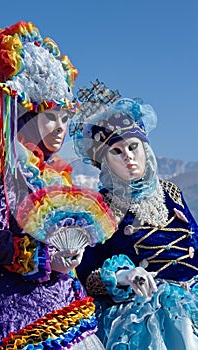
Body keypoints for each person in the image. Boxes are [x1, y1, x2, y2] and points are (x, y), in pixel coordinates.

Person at [0, 22, 105, 350]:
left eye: (65, 119)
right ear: (28, 114)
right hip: (7, 307)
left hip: (63, 302)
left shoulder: (58, 176)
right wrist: (42, 258)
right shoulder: (1, 164)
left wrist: (69, 254)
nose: (60, 127)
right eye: (51, 117)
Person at [72, 81, 198, 350]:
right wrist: (124, 276)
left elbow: (194, 244)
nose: (128, 157)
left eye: (133, 147)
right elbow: (85, 273)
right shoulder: (101, 207)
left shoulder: (171, 192)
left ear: (145, 149)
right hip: (145, 318)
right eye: (117, 151)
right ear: (105, 160)